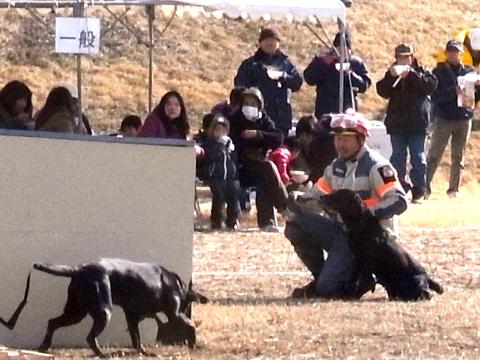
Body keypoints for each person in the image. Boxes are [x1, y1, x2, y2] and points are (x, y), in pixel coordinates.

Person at [284, 112, 408, 299]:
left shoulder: (378, 166)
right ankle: (322, 277)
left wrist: (366, 215)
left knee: (328, 290)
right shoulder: (335, 167)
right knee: (297, 224)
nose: (340, 144)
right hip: (343, 233)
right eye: (338, 138)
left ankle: (345, 280)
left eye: (346, 139)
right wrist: (299, 198)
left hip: (369, 239)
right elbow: (317, 196)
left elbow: (399, 201)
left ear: (361, 139)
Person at [376, 44, 438, 203]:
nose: (403, 59)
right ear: (396, 58)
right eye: (400, 57)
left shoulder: (421, 72)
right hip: (397, 123)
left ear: (412, 57)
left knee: (418, 157)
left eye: (406, 56)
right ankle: (398, 189)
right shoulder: (392, 73)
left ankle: (419, 190)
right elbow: (382, 91)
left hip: (417, 124)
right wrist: (391, 76)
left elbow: (430, 86)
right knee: (397, 157)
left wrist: (410, 75)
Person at [426, 40, 480, 198]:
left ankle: (453, 189)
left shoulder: (470, 71)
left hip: (464, 118)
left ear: (461, 54)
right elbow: (434, 97)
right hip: (444, 118)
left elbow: (475, 96)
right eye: (450, 51)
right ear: (446, 53)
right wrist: (453, 91)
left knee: (458, 156)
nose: (452, 54)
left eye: (455, 51)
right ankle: (425, 187)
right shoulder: (438, 72)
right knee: (434, 154)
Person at [229, 87, 287, 231]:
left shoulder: (264, 120)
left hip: (259, 164)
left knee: (264, 175)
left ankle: (266, 222)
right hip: (240, 165)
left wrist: (258, 134)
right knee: (268, 167)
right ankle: (285, 206)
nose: (250, 107)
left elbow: (278, 138)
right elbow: (233, 141)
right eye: (246, 103)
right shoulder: (235, 119)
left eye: (253, 104)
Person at [234, 28, 303, 135]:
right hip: (259, 118)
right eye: (266, 40)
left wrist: (284, 77)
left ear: (278, 43)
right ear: (260, 43)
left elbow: (297, 83)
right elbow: (240, 86)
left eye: (273, 40)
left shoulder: (286, 63)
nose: (270, 43)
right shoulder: (251, 64)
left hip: (282, 116)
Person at [304, 32, 371, 118]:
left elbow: (364, 85)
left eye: (346, 50)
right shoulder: (322, 60)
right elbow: (309, 78)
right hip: (325, 110)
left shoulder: (355, 63)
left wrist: (350, 74)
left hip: (348, 111)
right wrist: (323, 65)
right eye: (340, 49)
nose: (343, 53)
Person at [196, 114, 240, 231]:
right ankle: (216, 222)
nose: (220, 132)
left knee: (233, 196)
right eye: (217, 130)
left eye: (223, 130)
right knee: (219, 197)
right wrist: (220, 147)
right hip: (214, 176)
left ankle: (232, 221)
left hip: (230, 176)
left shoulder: (231, 145)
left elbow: (235, 160)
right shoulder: (209, 144)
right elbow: (209, 156)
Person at [293, 114, 337, 183]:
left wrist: (306, 181)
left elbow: (320, 172)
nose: (301, 140)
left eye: (302, 136)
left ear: (307, 134)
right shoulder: (308, 146)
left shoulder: (325, 146)